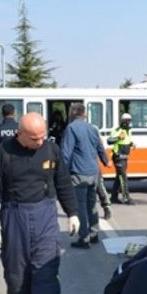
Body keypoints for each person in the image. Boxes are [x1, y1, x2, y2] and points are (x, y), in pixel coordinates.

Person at [0, 112, 80, 294]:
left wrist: (73, 212)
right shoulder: (4, 152)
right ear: (20, 134)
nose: (39, 142)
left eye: (42, 137)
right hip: (14, 214)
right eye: (34, 138)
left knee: (46, 270)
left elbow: (63, 183)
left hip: (45, 213)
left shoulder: (51, 150)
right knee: (16, 273)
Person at [61, 103, 109, 249]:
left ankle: (84, 238)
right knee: (92, 204)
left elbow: (65, 153)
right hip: (93, 172)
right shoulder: (92, 128)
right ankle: (94, 233)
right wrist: (106, 161)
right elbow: (100, 148)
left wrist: (60, 173)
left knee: (80, 206)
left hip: (78, 172)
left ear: (72, 113)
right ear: (84, 114)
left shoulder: (71, 128)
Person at [107, 113, 136, 204]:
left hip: (125, 158)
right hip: (118, 157)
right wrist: (118, 137)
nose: (128, 123)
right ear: (122, 121)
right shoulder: (117, 130)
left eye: (129, 120)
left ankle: (113, 197)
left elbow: (127, 140)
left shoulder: (129, 131)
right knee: (123, 177)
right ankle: (126, 197)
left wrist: (131, 144)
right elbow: (109, 141)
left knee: (119, 177)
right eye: (126, 121)